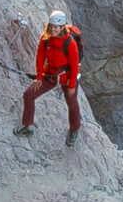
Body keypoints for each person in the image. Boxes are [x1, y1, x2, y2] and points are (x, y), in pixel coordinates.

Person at [20, 7, 84, 140]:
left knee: (71, 102)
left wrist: (72, 85)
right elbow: (40, 58)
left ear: (62, 27)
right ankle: (28, 126)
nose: (53, 29)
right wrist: (38, 77)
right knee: (28, 95)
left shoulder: (70, 43)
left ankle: (74, 129)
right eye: (52, 26)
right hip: (50, 74)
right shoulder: (46, 38)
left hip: (66, 76)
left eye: (57, 27)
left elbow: (74, 66)